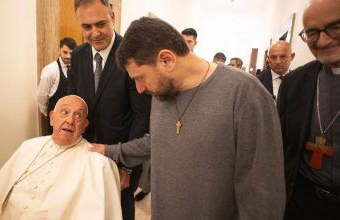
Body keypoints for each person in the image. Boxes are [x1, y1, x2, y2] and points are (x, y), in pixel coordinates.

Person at [90, 17, 285, 219]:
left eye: (140, 77)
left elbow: (263, 196)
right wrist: (111, 151)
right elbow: (159, 141)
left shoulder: (246, 95)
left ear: (167, 60)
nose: (139, 89)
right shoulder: (161, 92)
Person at [0, 95, 122, 219]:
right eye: (64, 112)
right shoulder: (28, 146)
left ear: (85, 125)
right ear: (52, 118)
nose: (70, 121)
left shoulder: (97, 163)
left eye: (78, 116)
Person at [69, 1, 151, 219]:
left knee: (120, 210)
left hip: (122, 155)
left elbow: (142, 117)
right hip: (86, 151)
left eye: (100, 24)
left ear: (112, 17)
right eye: (86, 27)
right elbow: (73, 99)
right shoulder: (78, 55)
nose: (94, 33)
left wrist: (127, 167)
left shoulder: (132, 55)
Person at [277, 0, 340, 219]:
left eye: (335, 26)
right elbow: (281, 145)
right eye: (312, 32)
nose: (322, 41)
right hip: (301, 201)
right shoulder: (294, 83)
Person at [37, 37, 77, 134]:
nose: (68, 56)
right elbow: (41, 96)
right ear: (59, 50)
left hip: (72, 119)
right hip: (56, 118)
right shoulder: (50, 70)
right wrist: (49, 114)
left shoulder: (77, 68)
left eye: (71, 53)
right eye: (65, 52)